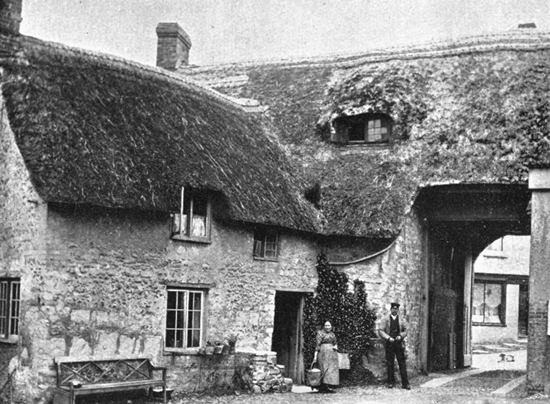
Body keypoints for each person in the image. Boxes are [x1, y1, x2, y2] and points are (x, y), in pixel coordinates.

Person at [378, 302, 410, 390]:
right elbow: (380, 330)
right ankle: (390, 382)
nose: (394, 310)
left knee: (402, 363)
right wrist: (388, 338)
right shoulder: (385, 319)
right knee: (390, 363)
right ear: (391, 309)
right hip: (390, 343)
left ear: (398, 310)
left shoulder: (401, 320)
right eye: (393, 309)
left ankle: (405, 383)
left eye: (396, 309)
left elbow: (406, 330)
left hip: (399, 343)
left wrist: (401, 336)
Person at [313, 321, 339, 393]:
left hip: (331, 354)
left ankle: (328, 386)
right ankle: (321, 386)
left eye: (329, 325)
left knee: (330, 370)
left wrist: (335, 346)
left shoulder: (332, 334)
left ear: (331, 326)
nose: (327, 327)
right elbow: (318, 344)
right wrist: (315, 354)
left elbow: (335, 343)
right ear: (324, 326)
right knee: (323, 368)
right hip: (323, 353)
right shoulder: (320, 333)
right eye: (326, 325)